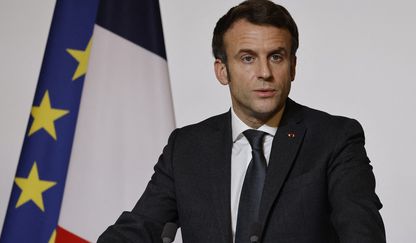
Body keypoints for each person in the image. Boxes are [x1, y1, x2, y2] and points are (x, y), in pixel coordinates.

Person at [98, 0, 386, 242]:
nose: (264, 72)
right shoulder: (186, 148)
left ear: (293, 66)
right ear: (222, 71)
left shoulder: (335, 138)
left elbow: (362, 233)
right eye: (248, 58)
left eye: (276, 57)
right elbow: (140, 229)